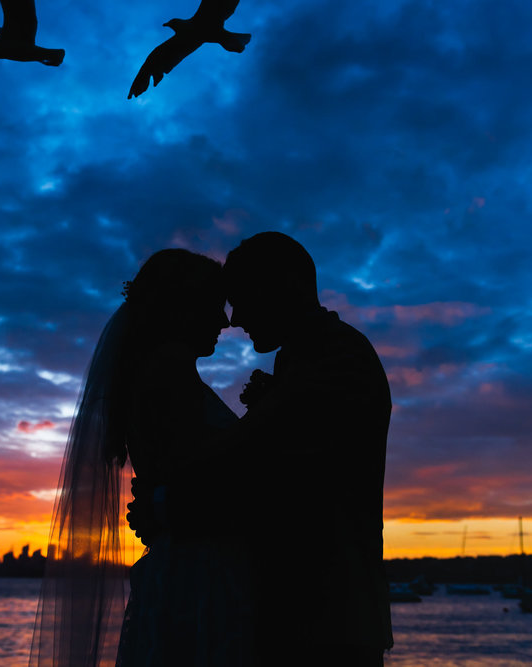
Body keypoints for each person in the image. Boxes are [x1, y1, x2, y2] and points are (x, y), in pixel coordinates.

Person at [132, 231, 393, 666]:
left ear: (282, 287)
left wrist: (169, 506)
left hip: (331, 618)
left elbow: (295, 489)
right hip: (289, 612)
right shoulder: (299, 360)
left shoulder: (340, 359)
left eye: (240, 299)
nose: (233, 319)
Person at [29, 248, 252, 667]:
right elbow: (193, 472)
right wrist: (263, 424)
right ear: (180, 309)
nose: (224, 320)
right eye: (212, 306)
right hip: (198, 573)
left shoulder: (163, 376)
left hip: (187, 564)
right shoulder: (166, 379)